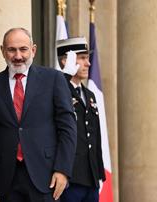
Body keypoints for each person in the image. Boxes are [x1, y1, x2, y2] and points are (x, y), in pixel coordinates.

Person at [0, 28, 77, 202]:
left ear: (33, 50)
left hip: (46, 176)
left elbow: (68, 129)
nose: (18, 55)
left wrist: (63, 169)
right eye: (12, 49)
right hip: (8, 178)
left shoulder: (54, 79)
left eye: (23, 49)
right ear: (3, 51)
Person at [56, 37, 106, 202]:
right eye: (82, 58)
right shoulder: (58, 91)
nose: (88, 63)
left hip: (91, 178)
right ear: (66, 61)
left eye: (88, 58)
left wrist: (99, 173)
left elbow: (95, 135)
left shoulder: (89, 95)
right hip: (70, 177)